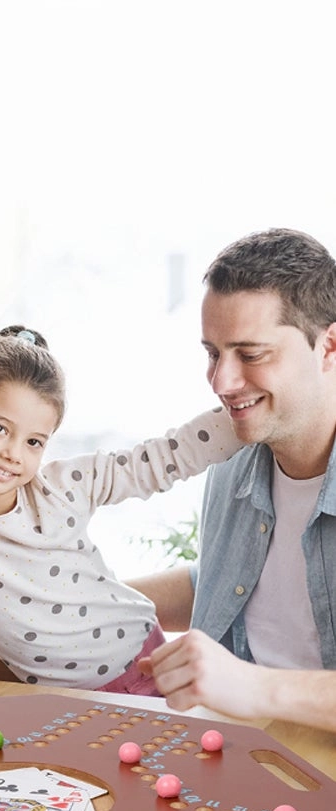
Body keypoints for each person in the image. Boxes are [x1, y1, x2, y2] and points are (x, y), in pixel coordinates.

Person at [0, 326, 241, 692]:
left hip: (148, 661)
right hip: (67, 694)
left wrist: (254, 409)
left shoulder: (60, 488)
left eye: (33, 442)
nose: (13, 453)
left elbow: (164, 456)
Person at [134, 228, 336, 733]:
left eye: (250, 354)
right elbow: (228, 587)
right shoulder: (233, 456)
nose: (222, 382)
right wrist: (82, 603)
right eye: (212, 353)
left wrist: (252, 686)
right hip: (229, 752)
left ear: (329, 346)